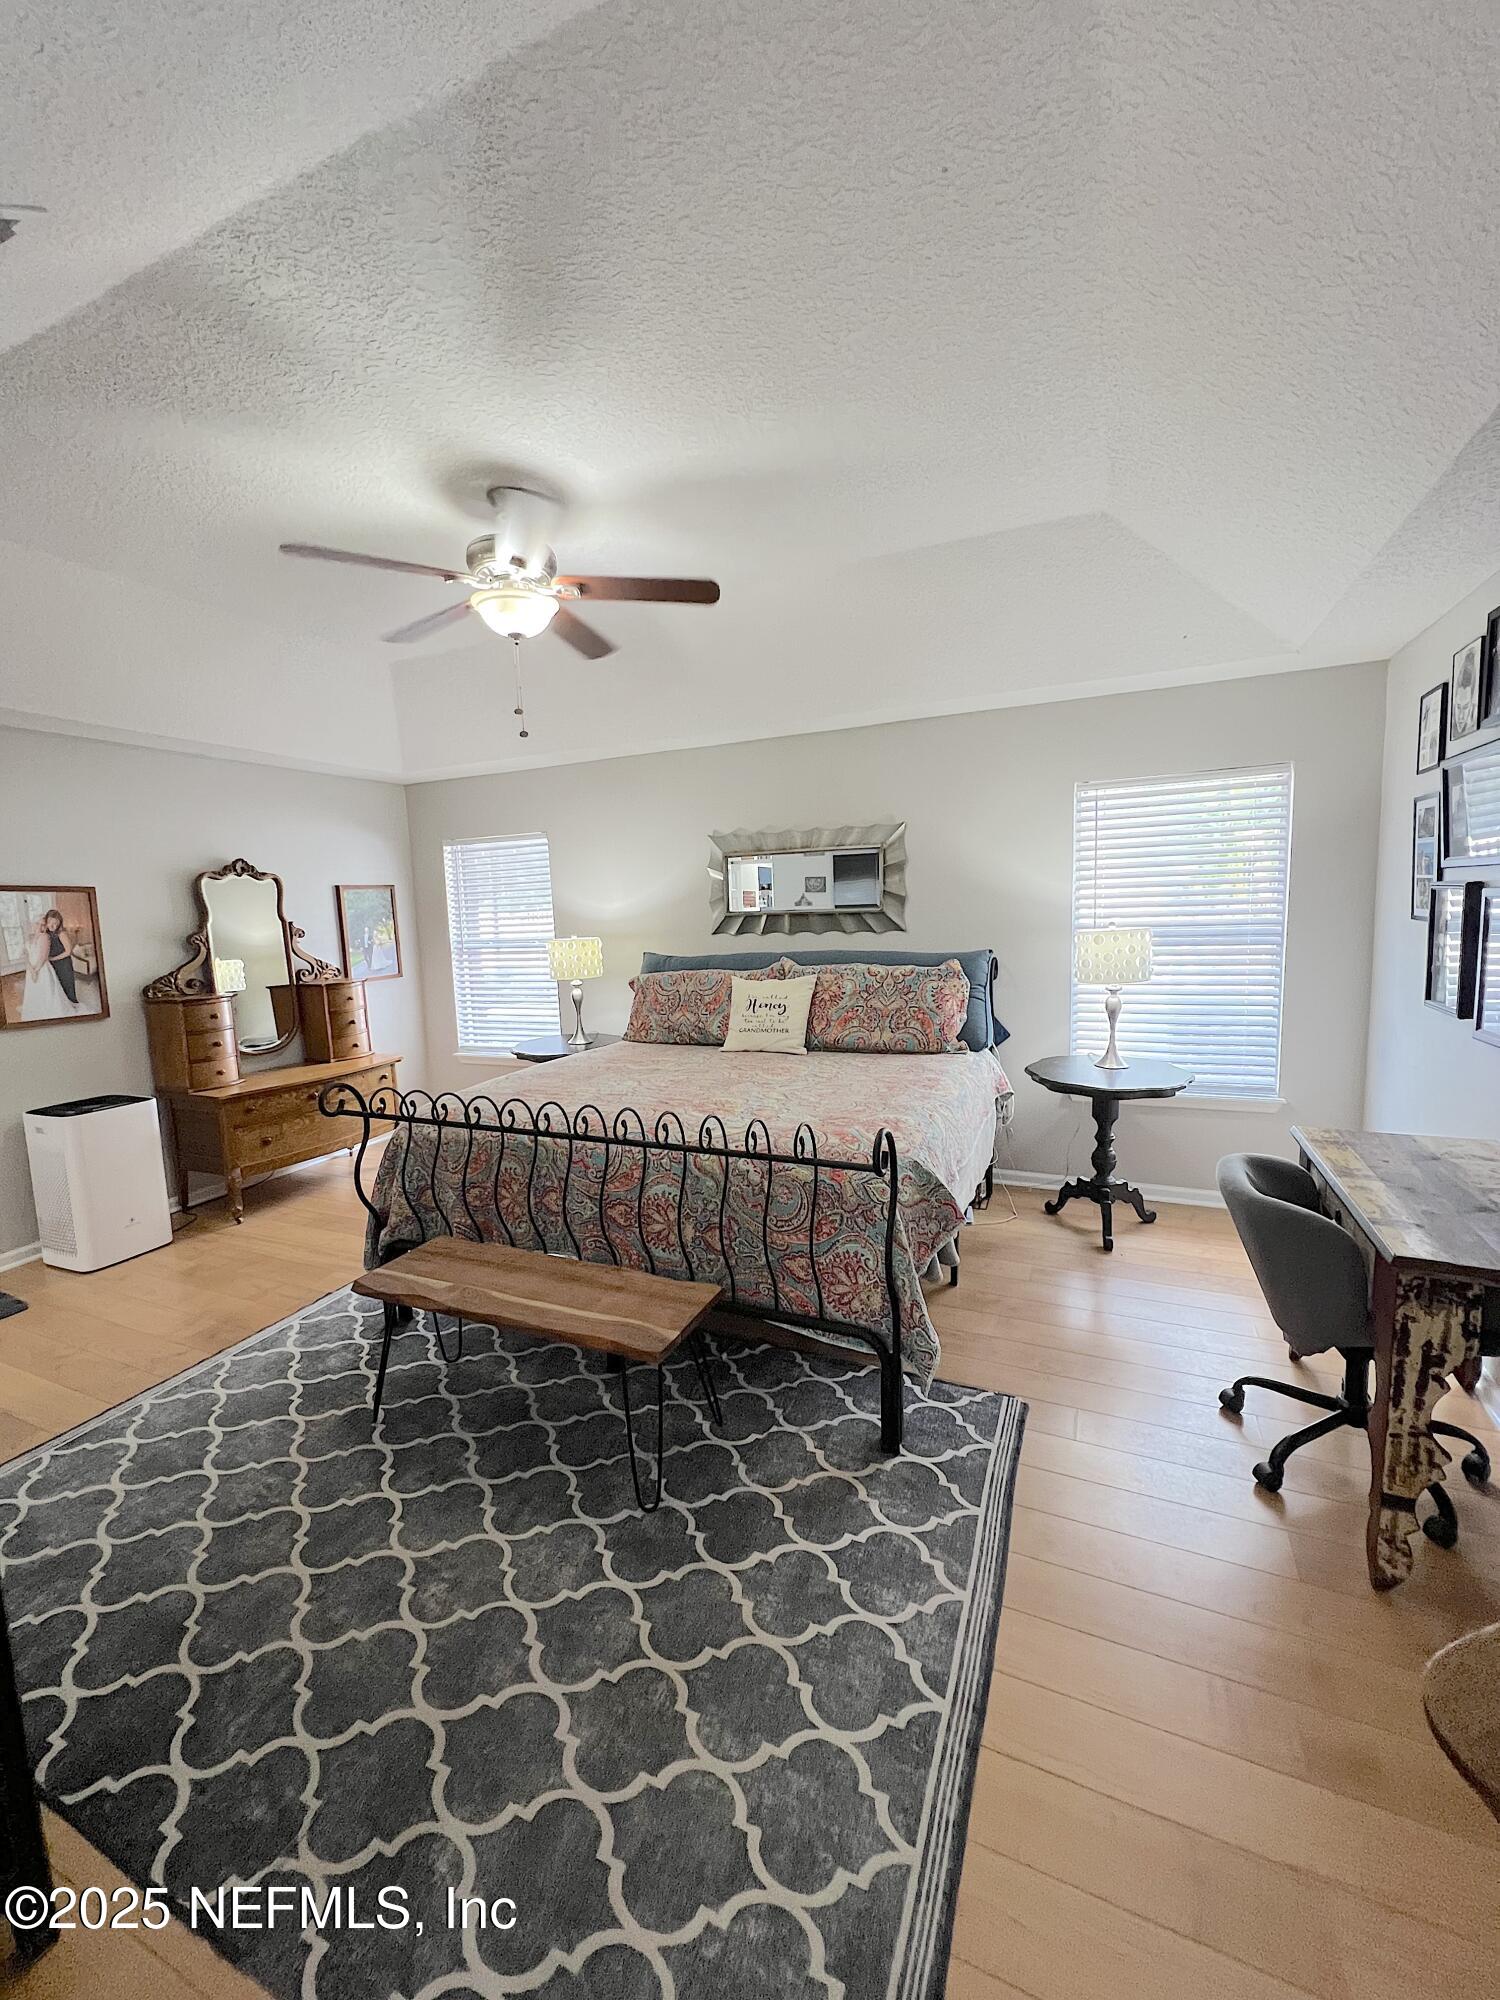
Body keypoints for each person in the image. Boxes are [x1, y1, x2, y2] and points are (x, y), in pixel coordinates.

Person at [20, 908, 86, 1021]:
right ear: (46, 922)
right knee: (57, 986)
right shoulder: (46, 933)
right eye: (50, 922)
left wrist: (52, 959)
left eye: (56, 923)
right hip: (52, 964)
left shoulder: (61, 933)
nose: (53, 925)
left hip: (63, 963)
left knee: (67, 985)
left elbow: (68, 951)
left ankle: (72, 1004)